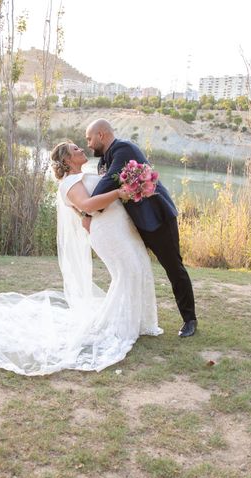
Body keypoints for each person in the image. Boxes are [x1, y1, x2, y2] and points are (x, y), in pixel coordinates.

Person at [0, 141, 162, 376]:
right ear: (67, 159)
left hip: (117, 228)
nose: (82, 148)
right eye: (76, 148)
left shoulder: (84, 175)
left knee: (135, 269)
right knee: (127, 273)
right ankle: (120, 327)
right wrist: (119, 192)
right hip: (108, 232)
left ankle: (135, 322)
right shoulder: (69, 183)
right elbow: (86, 205)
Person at [84, 119, 198, 337]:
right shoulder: (102, 163)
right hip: (133, 225)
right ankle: (132, 319)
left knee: (174, 267)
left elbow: (105, 186)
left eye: (89, 138)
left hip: (157, 218)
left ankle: (189, 320)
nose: (88, 144)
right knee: (133, 269)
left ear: (101, 135)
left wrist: (86, 209)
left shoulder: (124, 149)